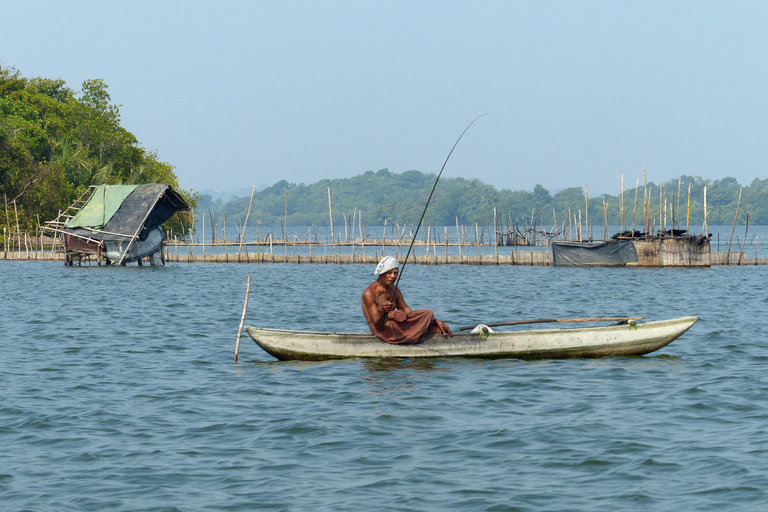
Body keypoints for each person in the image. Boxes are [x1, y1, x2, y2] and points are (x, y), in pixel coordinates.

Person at [361, 256, 452, 344]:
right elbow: (378, 327)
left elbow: (409, 314)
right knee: (430, 329)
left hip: (397, 325)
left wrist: (433, 321)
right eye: (389, 272)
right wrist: (383, 312)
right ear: (382, 273)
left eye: (395, 273)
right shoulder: (369, 293)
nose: (393, 276)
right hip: (384, 331)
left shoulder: (394, 290)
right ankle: (416, 335)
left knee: (428, 314)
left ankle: (418, 332)